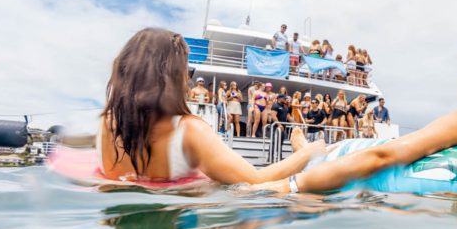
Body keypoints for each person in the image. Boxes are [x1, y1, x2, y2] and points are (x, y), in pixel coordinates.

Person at [255, 27, 457, 193]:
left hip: (354, 151)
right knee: (314, 148)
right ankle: (303, 147)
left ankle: (304, 148)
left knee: (316, 153)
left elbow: (384, 155)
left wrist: (291, 185)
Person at [97, 28, 323, 185]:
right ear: (174, 77)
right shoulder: (189, 131)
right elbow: (257, 181)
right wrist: (307, 152)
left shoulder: (106, 124)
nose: (188, 79)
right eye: (186, 71)